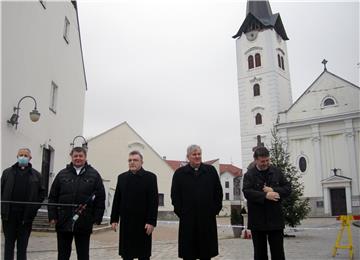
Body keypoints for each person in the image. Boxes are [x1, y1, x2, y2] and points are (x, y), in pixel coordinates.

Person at [48, 146, 105, 260]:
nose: (78, 158)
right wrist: (53, 216)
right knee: (63, 255)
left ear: (85, 157)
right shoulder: (62, 174)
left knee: (83, 255)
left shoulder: (94, 175)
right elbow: (53, 197)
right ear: (71, 157)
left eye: (80, 156)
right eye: (75, 156)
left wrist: (96, 218)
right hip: (63, 221)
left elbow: (100, 198)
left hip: (84, 221)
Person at [171, 144, 223, 260]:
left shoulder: (210, 171)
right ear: (188, 157)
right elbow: (175, 196)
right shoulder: (180, 173)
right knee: (189, 254)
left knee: (206, 254)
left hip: (207, 220)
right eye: (194, 154)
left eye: (199, 154)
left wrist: (214, 210)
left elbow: (218, 192)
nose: (197, 156)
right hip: (188, 221)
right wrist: (182, 213)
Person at [242, 146, 291, 260]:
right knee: (260, 254)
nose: (265, 163)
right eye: (262, 161)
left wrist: (274, 190)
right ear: (256, 160)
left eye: (267, 160)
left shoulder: (276, 171)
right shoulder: (249, 174)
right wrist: (265, 196)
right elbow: (247, 192)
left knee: (278, 253)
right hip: (257, 221)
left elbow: (288, 188)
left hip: (275, 219)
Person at [110, 150, 158, 260]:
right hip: (126, 223)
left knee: (143, 255)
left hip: (144, 224)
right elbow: (117, 199)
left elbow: (153, 201)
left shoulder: (150, 177)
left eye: (135, 160)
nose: (132, 162)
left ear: (142, 162)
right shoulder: (122, 177)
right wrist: (114, 219)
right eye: (130, 160)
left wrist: (151, 221)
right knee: (126, 255)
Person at [1, 148, 46, 260]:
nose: (23, 157)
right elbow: (1, 190)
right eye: (21, 155)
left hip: (25, 218)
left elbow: (42, 193)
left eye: (25, 155)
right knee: (8, 245)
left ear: (30, 158)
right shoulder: (7, 172)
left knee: (22, 247)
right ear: (17, 157)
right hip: (9, 216)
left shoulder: (36, 175)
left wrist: (34, 208)